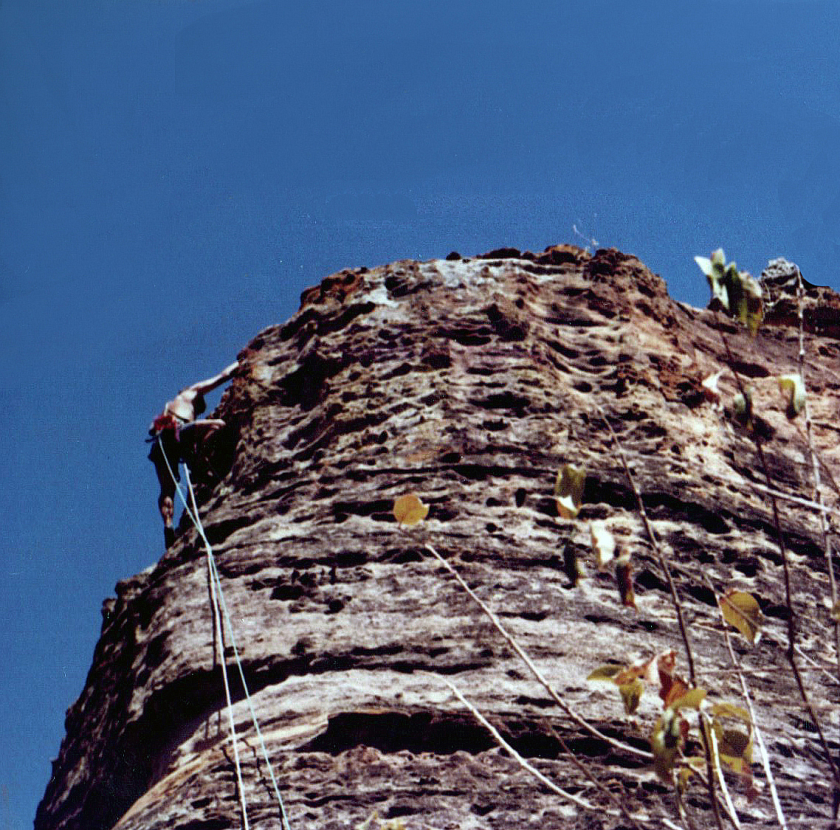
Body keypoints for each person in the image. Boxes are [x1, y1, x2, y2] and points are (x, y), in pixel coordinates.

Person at [148, 361, 238, 547]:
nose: (197, 412)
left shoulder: (168, 406)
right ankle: (199, 463)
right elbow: (223, 376)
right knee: (217, 425)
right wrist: (241, 362)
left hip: (160, 445)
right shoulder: (191, 392)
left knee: (167, 491)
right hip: (178, 432)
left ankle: (168, 525)